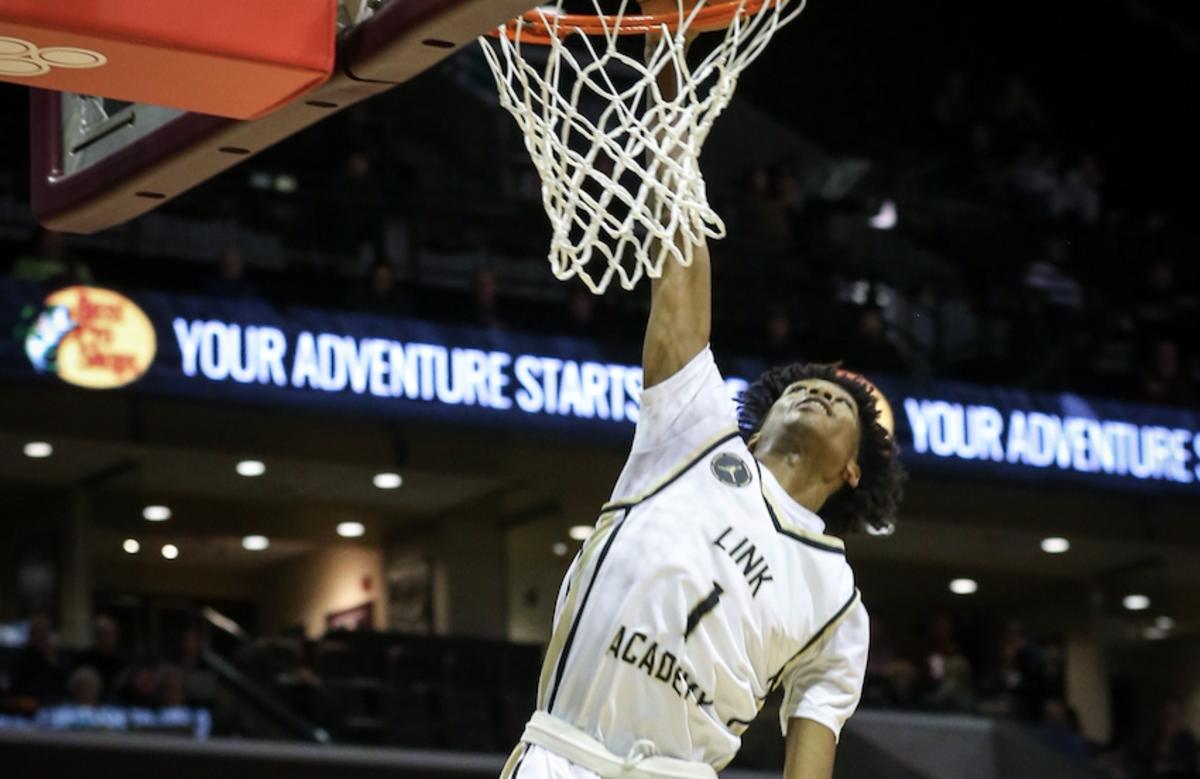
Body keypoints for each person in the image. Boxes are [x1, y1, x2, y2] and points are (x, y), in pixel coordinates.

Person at [500, 16, 906, 779]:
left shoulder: (838, 600)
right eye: (807, 385)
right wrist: (669, 71)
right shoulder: (697, 428)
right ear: (765, 414)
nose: (820, 392)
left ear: (855, 470)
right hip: (564, 752)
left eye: (842, 404)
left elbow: (809, 763)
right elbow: (680, 259)